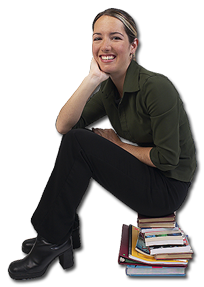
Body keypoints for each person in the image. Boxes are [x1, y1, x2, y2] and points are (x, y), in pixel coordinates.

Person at [8, 8, 196, 280]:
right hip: (145, 175)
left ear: (134, 46)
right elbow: (63, 127)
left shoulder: (157, 88)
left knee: (80, 144)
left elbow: (167, 158)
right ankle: (57, 235)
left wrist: (118, 144)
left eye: (115, 38)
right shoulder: (109, 88)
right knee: (76, 141)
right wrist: (92, 78)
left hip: (167, 188)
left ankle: (52, 238)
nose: (105, 45)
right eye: (97, 38)